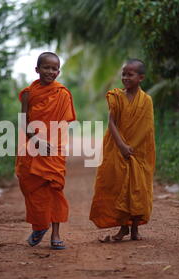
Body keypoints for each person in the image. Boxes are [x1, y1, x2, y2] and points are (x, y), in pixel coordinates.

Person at [89, 59, 155, 242]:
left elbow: (147, 128)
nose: (125, 77)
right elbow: (111, 123)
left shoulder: (146, 101)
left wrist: (131, 148)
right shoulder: (116, 96)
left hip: (138, 152)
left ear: (141, 77)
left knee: (137, 190)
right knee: (119, 188)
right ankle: (123, 228)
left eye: (130, 74)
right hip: (118, 149)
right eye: (123, 74)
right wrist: (122, 146)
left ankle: (134, 229)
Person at [16, 52, 76, 250]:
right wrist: (35, 140)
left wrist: (50, 143)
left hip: (54, 148)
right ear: (37, 69)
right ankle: (40, 226)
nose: (51, 72)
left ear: (59, 71)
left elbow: (62, 125)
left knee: (54, 188)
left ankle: (56, 234)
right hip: (32, 145)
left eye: (54, 68)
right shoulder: (28, 93)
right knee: (32, 189)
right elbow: (23, 120)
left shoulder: (62, 93)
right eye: (46, 67)